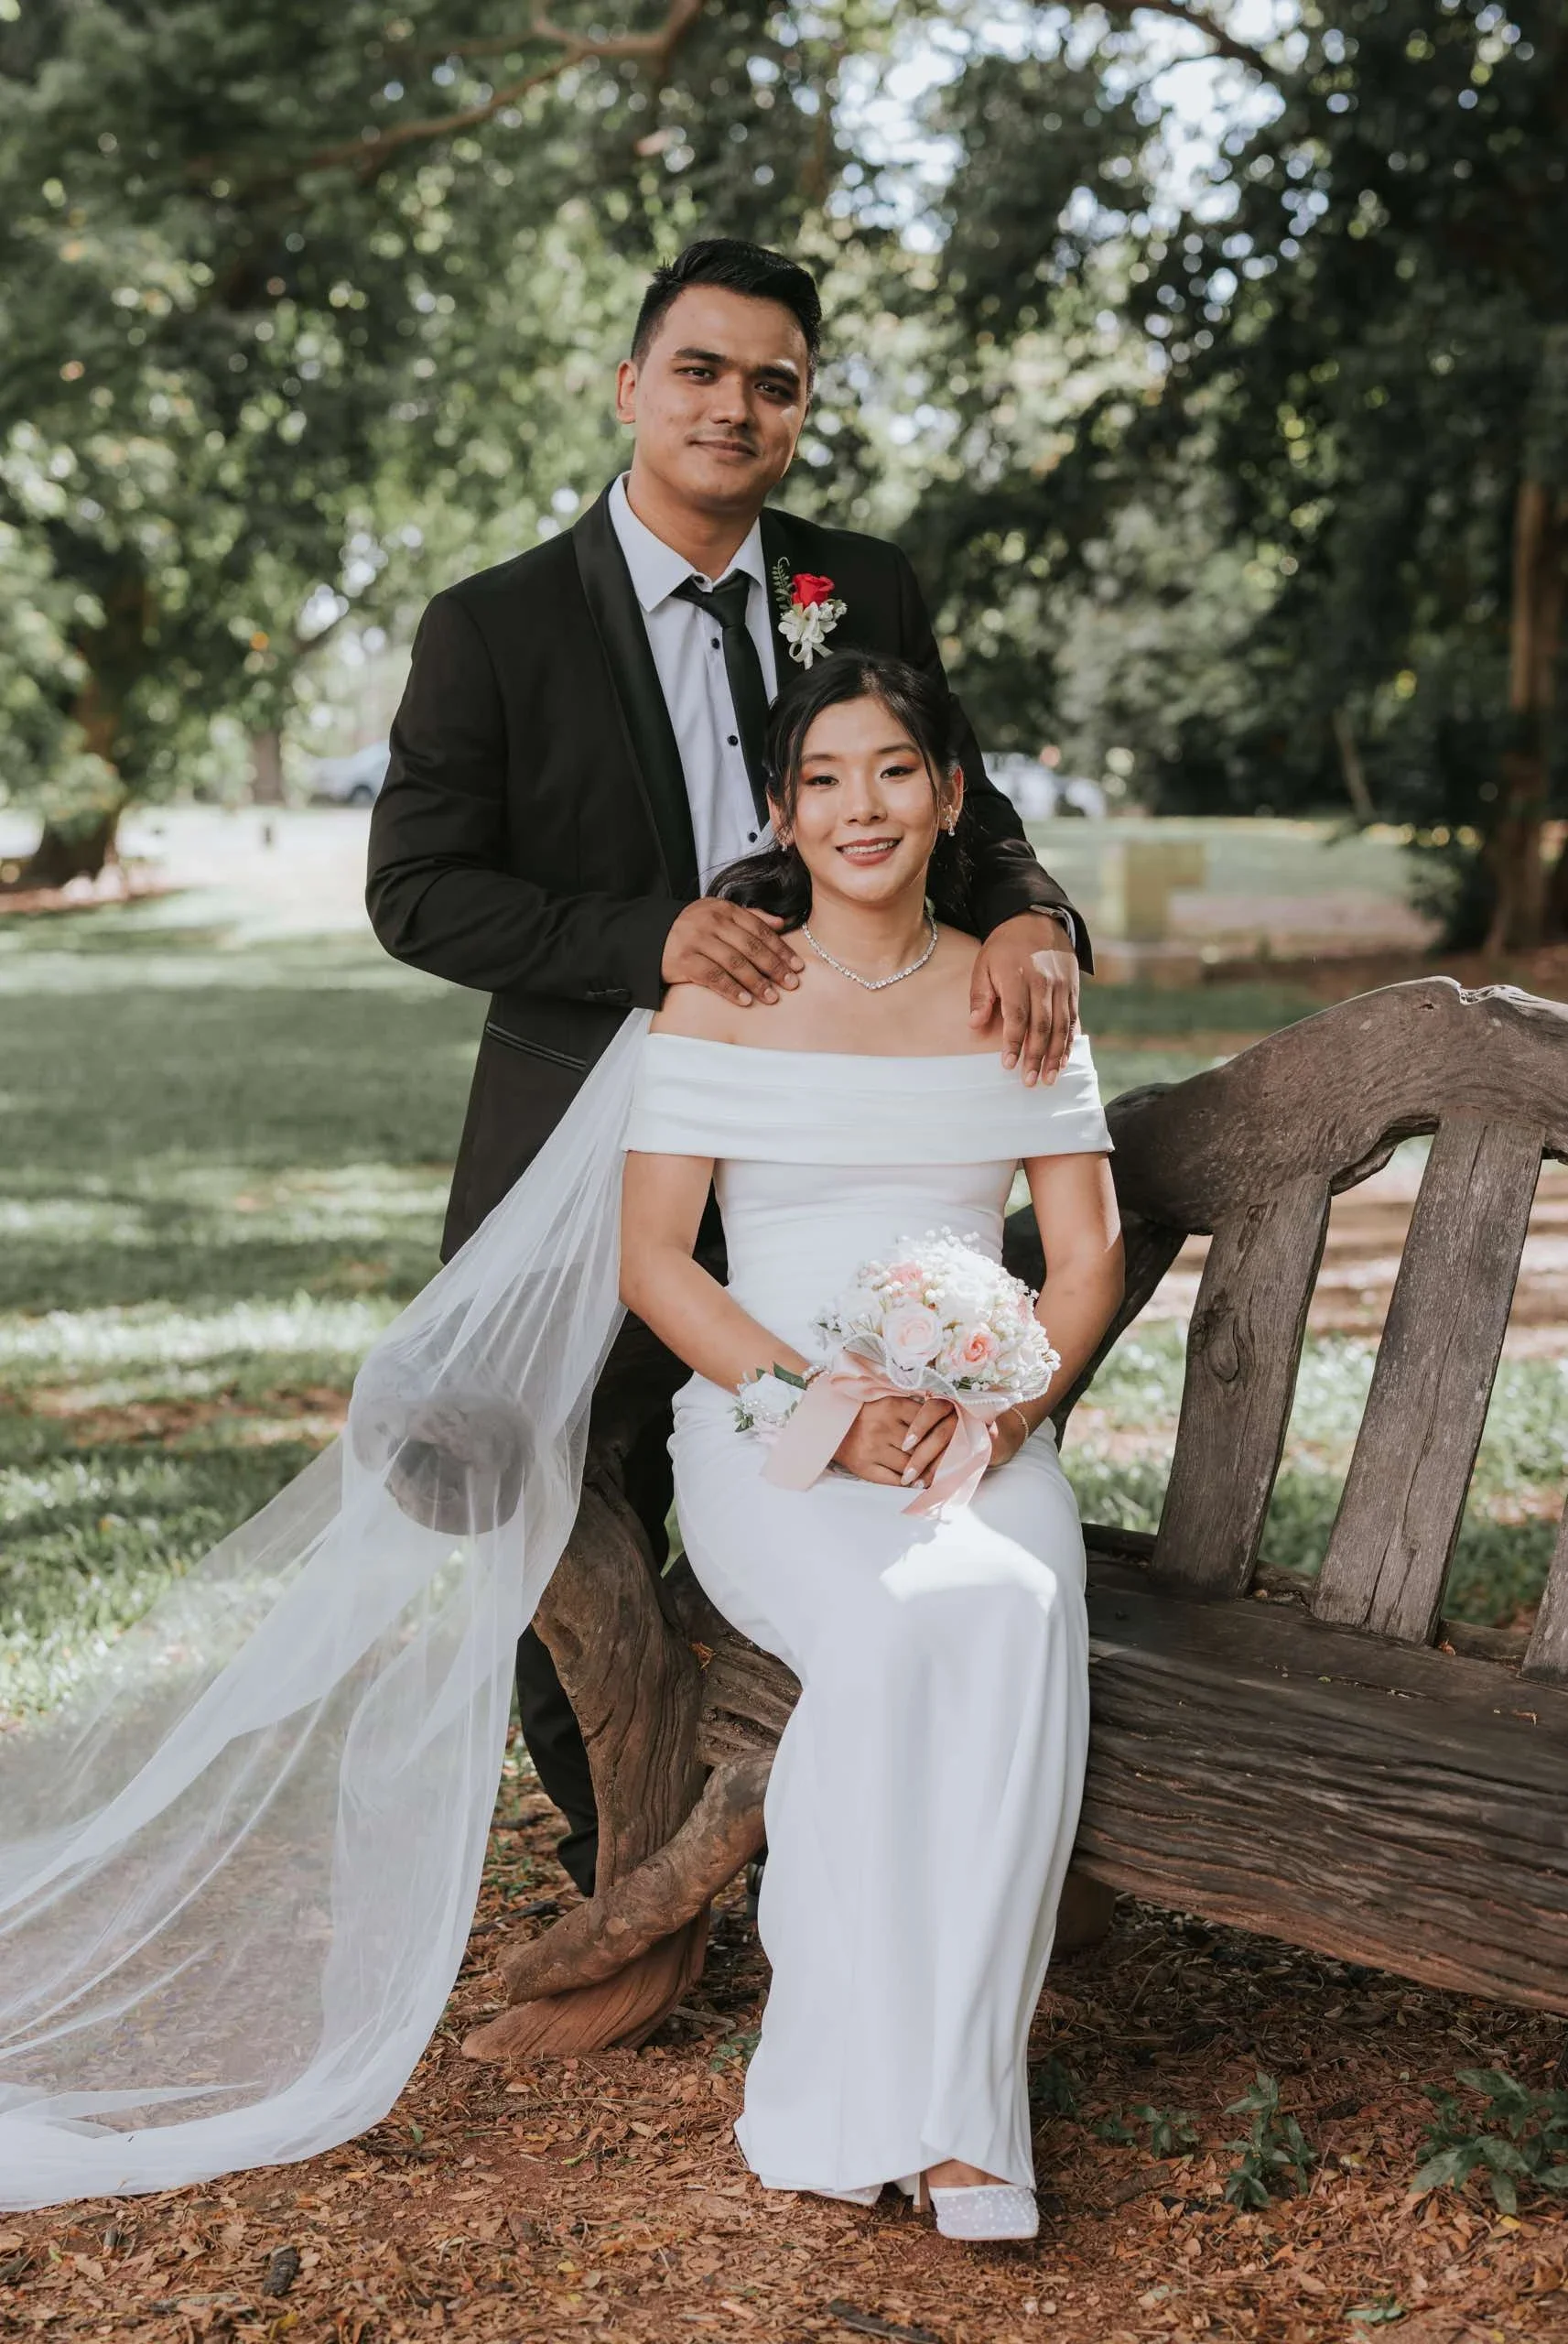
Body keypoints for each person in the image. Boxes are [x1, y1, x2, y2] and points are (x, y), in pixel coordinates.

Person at [367, 235, 1093, 1897]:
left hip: (845, 1114)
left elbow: (954, 797)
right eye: (699, 369)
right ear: (630, 388)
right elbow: (413, 889)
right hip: (600, 1115)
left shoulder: (862, 584)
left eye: (775, 381)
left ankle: (846, 1824)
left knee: (862, 1418)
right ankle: (623, 1853)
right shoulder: (493, 626)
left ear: (803, 410)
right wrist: (652, 940)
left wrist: (1036, 918)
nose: (733, 406)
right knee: (575, 1470)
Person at [620, 650, 1122, 2236]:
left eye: (896, 771)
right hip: (764, 1432)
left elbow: (1088, 1258)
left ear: (951, 796)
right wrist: (824, 1414)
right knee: (902, 1632)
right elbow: (657, 1263)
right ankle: (858, 2082)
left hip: (980, 1429)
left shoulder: (1013, 991)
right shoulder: (725, 991)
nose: (863, 806)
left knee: (1012, 1606)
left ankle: (968, 2112)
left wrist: (1001, 1405)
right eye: (825, 778)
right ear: (783, 809)